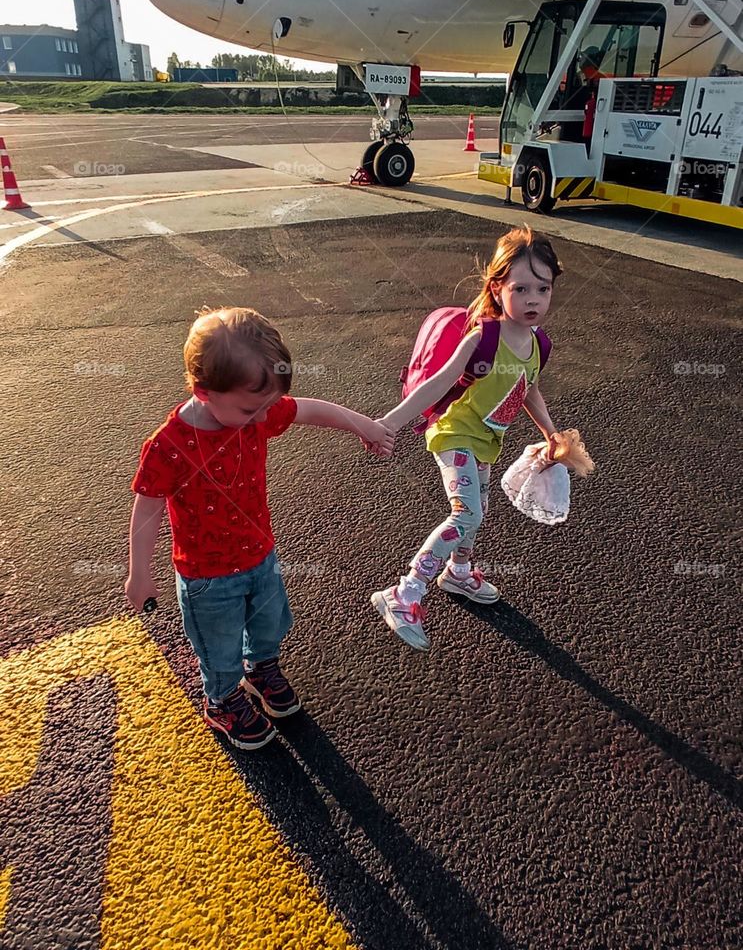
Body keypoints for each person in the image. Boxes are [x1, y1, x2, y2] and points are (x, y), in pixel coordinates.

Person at [126, 306, 393, 750]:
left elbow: (307, 409)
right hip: (206, 577)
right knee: (218, 645)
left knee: (268, 623)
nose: (265, 416)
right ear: (203, 391)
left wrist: (362, 424)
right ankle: (223, 698)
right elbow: (147, 508)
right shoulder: (169, 446)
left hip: (259, 554)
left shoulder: (254, 410)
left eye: (268, 405)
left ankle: (261, 666)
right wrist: (139, 572)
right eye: (253, 408)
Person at [371, 227, 563, 651]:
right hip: (454, 433)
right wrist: (391, 423)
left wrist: (550, 432)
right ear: (497, 288)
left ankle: (458, 573)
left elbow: (527, 387)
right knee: (467, 514)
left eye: (543, 288)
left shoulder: (538, 345)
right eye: (521, 288)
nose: (534, 299)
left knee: (481, 510)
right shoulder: (484, 336)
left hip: (485, 440)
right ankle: (404, 592)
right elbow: (438, 384)